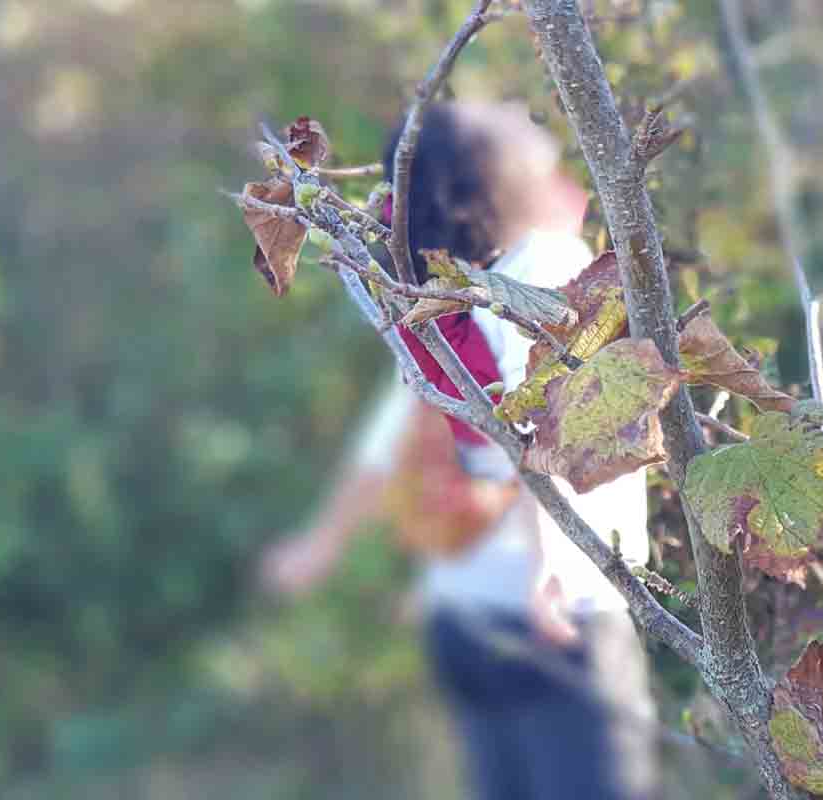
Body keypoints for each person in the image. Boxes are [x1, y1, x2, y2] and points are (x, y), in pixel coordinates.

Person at [260, 102, 658, 800]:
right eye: (502, 120)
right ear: (491, 174)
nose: (521, 113)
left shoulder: (442, 298)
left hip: (463, 616)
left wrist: (321, 544)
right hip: (558, 619)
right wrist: (552, 568)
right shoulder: (555, 268)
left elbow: (391, 437)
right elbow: (542, 435)